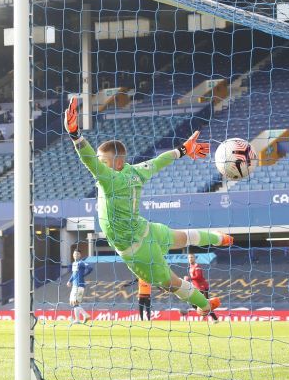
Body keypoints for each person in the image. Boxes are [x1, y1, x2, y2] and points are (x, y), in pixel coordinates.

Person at [64, 97, 230, 317]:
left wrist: (75, 134)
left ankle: (205, 305)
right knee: (181, 237)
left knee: (171, 282)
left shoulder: (109, 179)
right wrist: (182, 150)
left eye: (103, 162)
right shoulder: (136, 171)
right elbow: (160, 161)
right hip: (147, 230)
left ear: (118, 163)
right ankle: (220, 238)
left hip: (136, 250)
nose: (100, 166)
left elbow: (88, 160)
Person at [184, 254, 218, 323]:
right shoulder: (190, 267)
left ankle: (214, 319)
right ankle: (204, 313)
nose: (190, 259)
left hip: (202, 287)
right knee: (194, 302)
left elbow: (198, 276)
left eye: (192, 257)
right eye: (189, 257)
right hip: (197, 288)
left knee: (205, 304)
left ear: (194, 258)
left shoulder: (197, 266)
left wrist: (189, 278)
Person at [66, 251, 93, 324]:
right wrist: (69, 281)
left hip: (79, 285)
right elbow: (74, 274)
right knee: (73, 302)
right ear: (73, 255)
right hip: (75, 285)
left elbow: (90, 268)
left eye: (77, 254)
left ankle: (84, 315)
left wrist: (84, 274)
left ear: (80, 255)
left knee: (74, 302)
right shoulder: (74, 263)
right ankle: (78, 319)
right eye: (74, 254)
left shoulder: (81, 262)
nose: (76, 255)